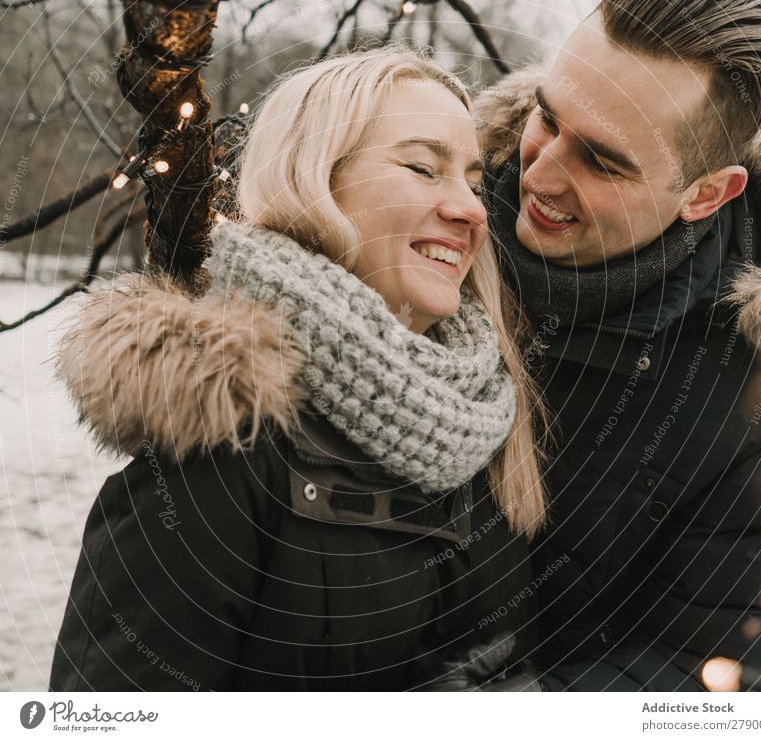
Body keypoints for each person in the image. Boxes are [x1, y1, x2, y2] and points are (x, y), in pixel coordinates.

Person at [49, 49, 547, 691]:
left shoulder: (490, 423)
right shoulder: (217, 445)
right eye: (424, 168)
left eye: (474, 184)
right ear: (313, 181)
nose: (472, 211)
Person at [472, 0, 761, 690]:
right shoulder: (405, 227)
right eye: (546, 118)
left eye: (602, 160)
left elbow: (714, 667)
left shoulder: (760, 396)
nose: (543, 174)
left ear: (707, 194)